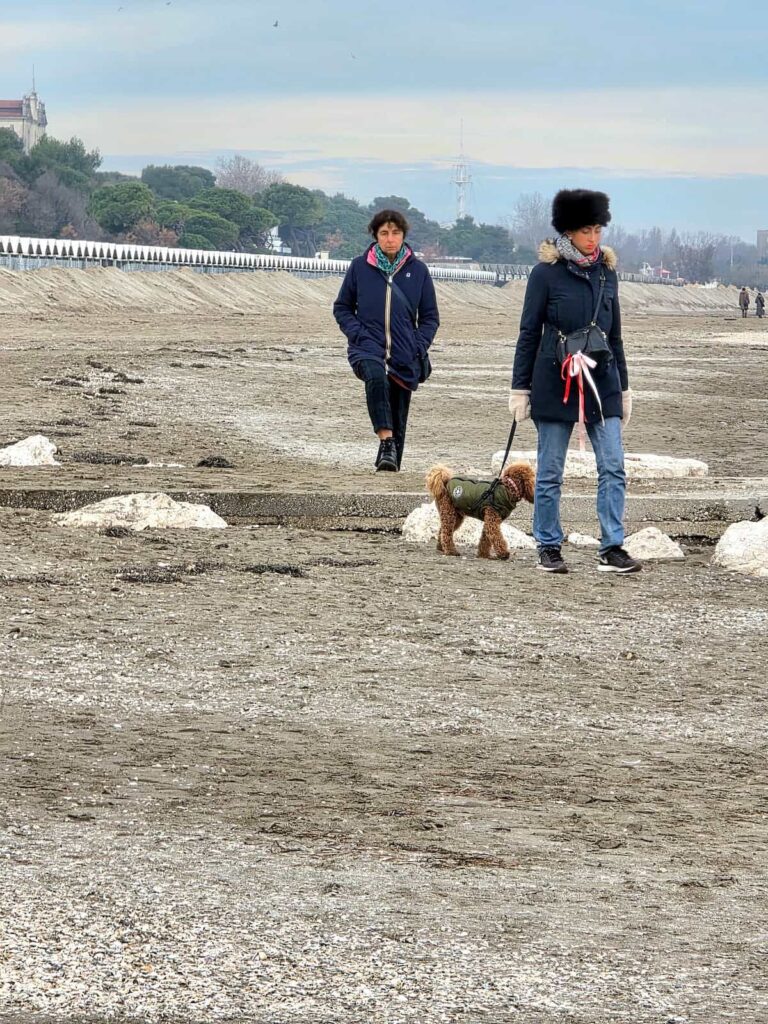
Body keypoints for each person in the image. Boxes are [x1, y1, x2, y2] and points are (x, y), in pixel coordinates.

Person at [508, 188, 641, 574]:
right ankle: (548, 545)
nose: (594, 238)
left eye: (598, 229)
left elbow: (615, 335)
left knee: (614, 466)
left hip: (604, 380)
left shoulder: (607, 274)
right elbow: (528, 333)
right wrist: (520, 388)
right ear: (568, 231)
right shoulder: (544, 274)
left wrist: (625, 387)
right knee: (551, 471)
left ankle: (612, 546)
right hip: (554, 377)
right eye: (586, 230)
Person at [333, 209, 439, 472]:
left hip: (405, 353)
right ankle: (385, 439)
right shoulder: (360, 267)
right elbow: (342, 307)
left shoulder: (419, 271)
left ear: (403, 235)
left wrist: (417, 345)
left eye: (395, 233)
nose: (390, 238)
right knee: (376, 377)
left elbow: (430, 318)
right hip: (366, 347)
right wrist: (358, 334)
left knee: (399, 416)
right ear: (375, 236)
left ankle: (389, 466)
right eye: (384, 233)